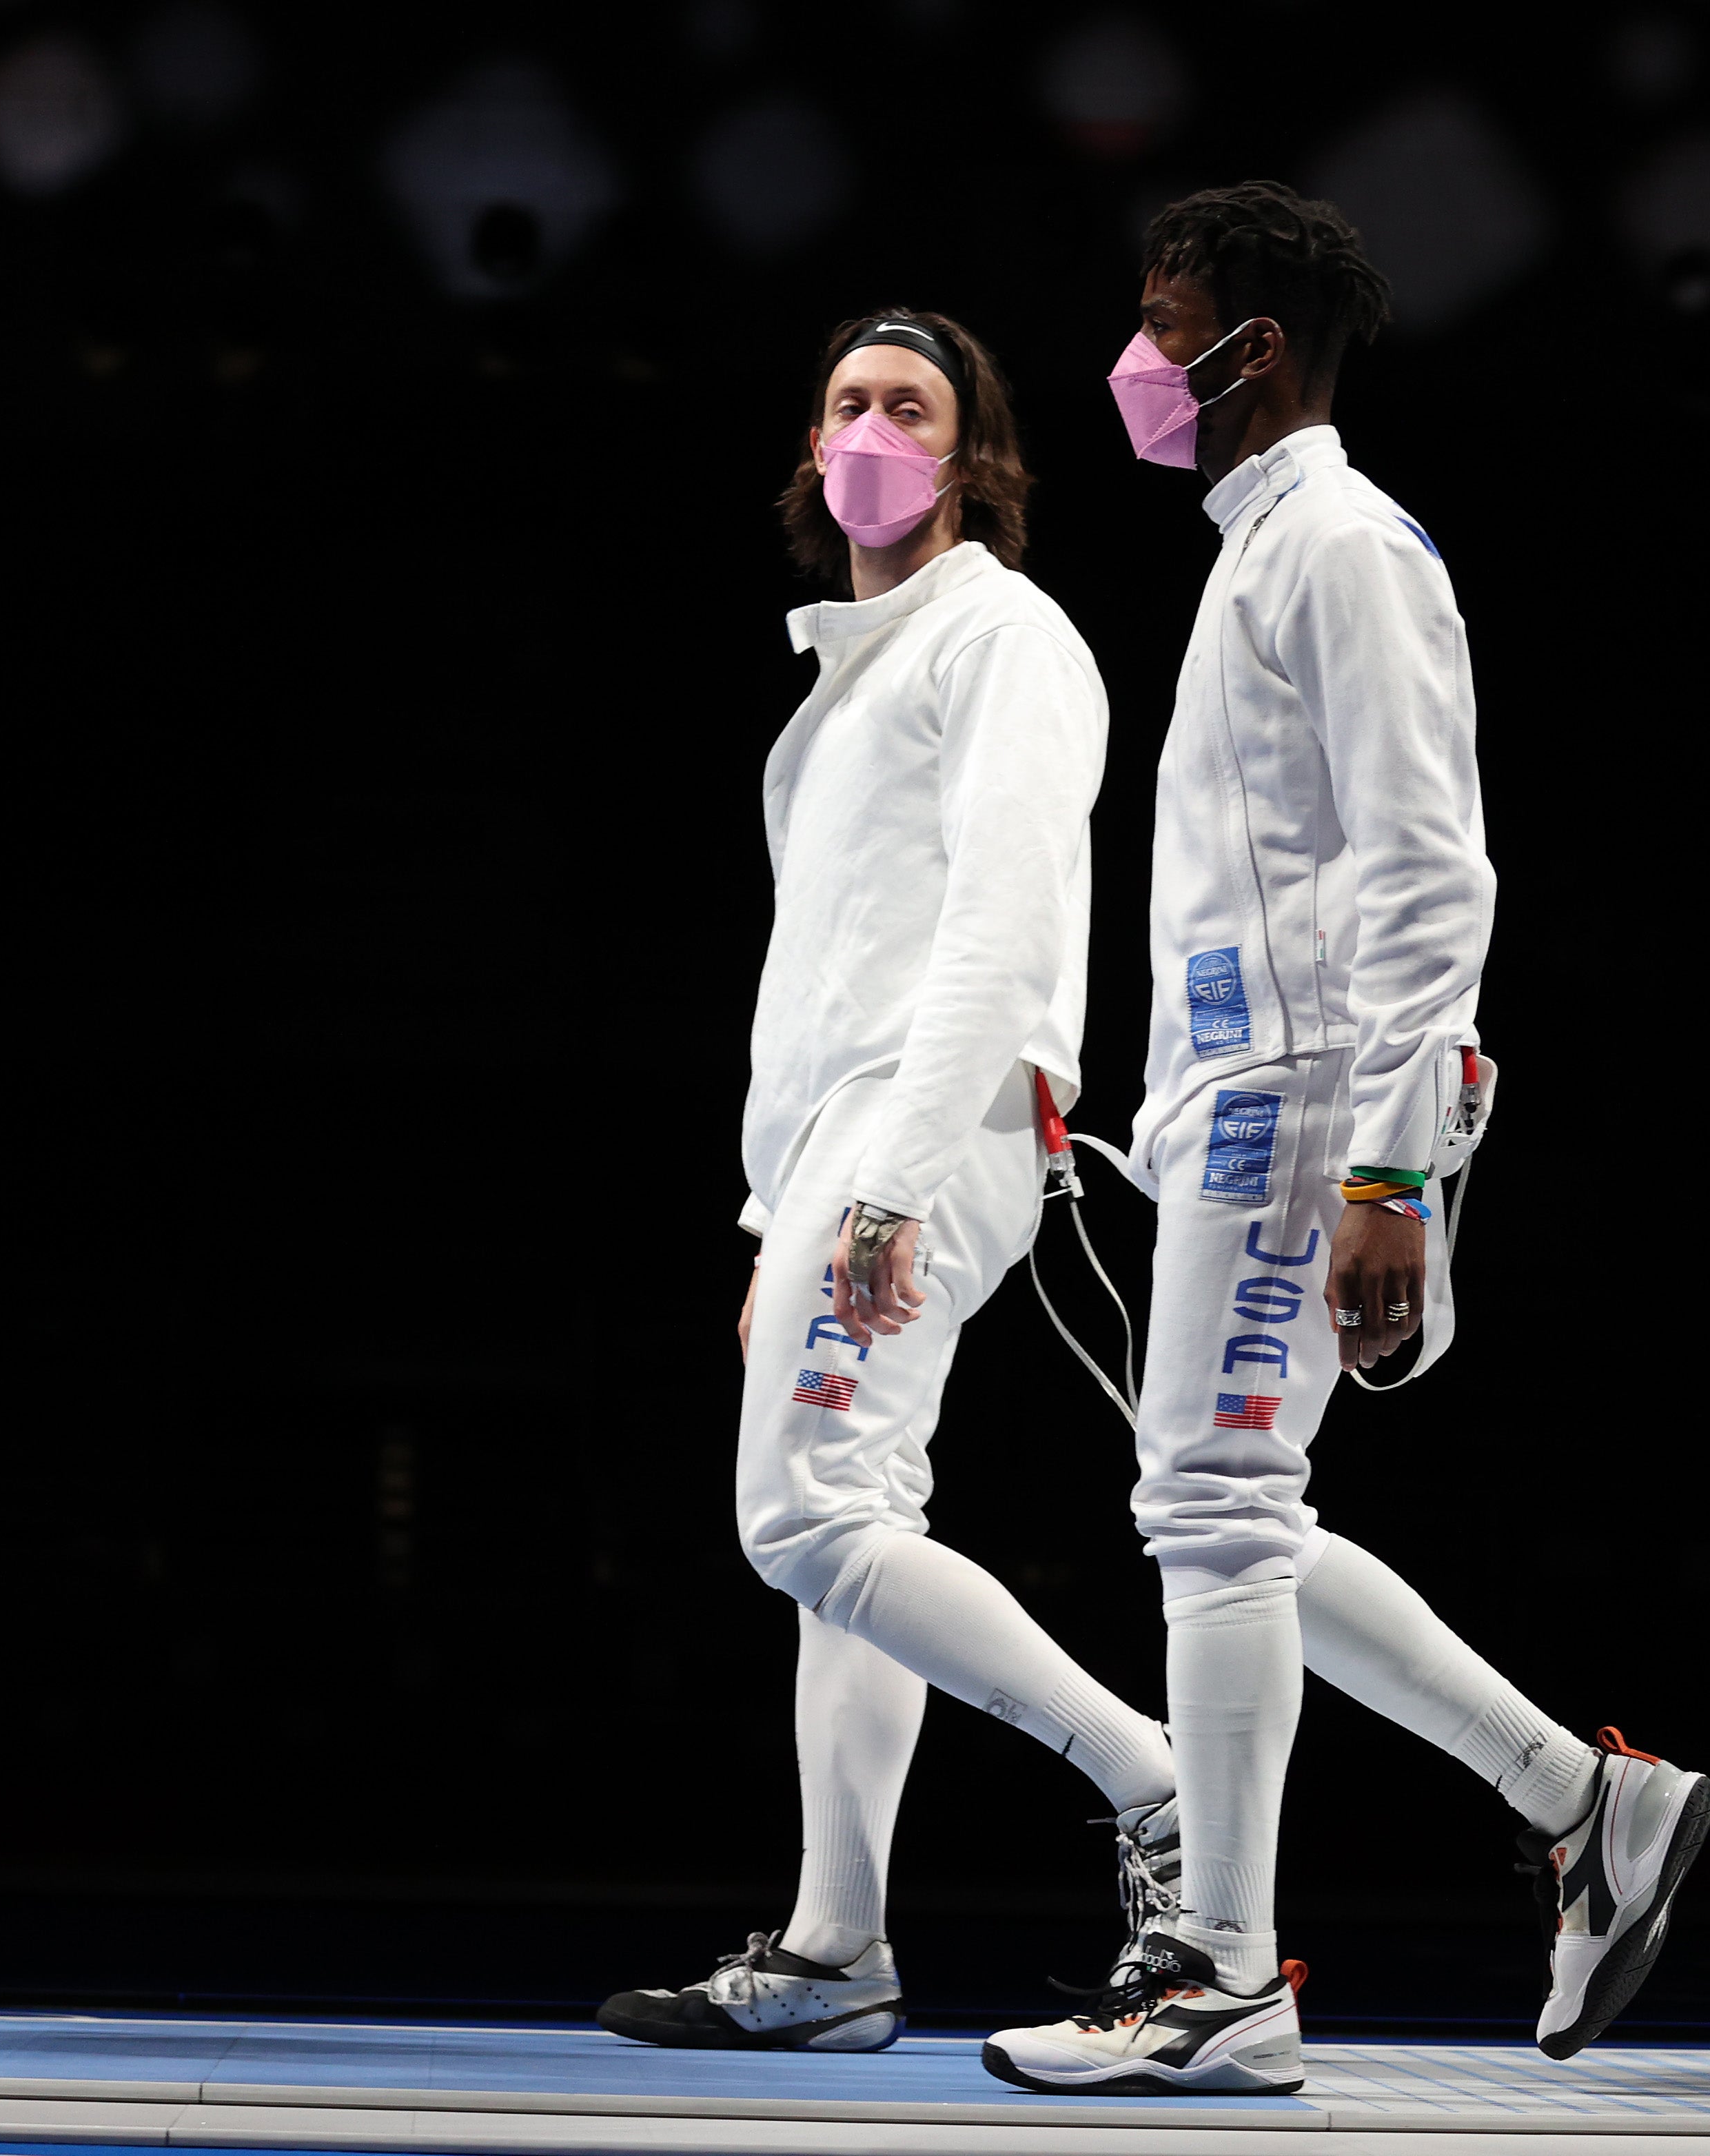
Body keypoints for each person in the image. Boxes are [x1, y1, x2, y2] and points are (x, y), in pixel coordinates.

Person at [984, 187, 1710, 2097]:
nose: (1140, 362)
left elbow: (1423, 869)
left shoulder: (1345, 550)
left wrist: (1387, 1169)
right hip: (1249, 1098)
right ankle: (1581, 1801)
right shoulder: (1257, 555)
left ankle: (1222, 1975)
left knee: (1211, 1515)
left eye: (1167, 323)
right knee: (1230, 1514)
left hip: (1314, 1105)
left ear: (1261, 349)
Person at [597, 309, 1180, 2055]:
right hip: (840, 1145)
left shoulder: (1002, 632)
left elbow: (996, 932)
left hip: (934, 1124)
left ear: (971, 453)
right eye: (845, 401)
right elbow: (828, 979)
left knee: (805, 1513)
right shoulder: (846, 684)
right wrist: (791, 1212)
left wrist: (891, 1184)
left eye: (905, 404)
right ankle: (836, 1947)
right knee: (846, 1532)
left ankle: (1163, 1791)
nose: (868, 425)